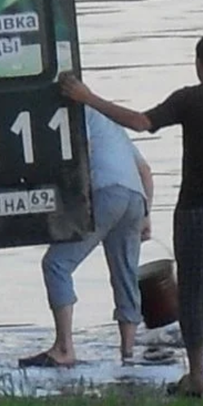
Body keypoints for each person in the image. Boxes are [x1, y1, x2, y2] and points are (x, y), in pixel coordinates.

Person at [59, 33, 203, 397]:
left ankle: (196, 375)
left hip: (198, 208)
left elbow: (139, 122)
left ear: (198, 63)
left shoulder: (188, 99)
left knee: (194, 292)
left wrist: (88, 98)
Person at [18, 105, 154, 368]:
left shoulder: (73, 113)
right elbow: (145, 170)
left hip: (106, 191)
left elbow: (84, 151)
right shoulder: (110, 122)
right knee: (125, 275)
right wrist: (146, 214)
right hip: (135, 197)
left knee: (56, 264)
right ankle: (127, 354)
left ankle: (64, 348)